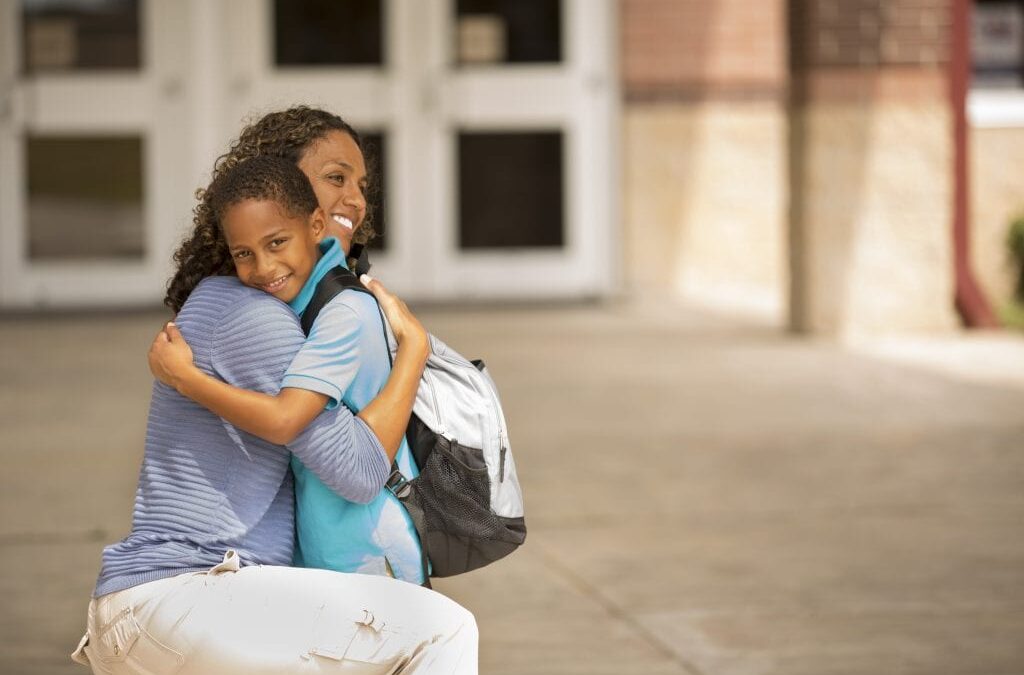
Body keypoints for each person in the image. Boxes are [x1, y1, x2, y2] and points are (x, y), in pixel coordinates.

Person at [73, 259, 477, 672]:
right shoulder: (256, 316)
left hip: (155, 612)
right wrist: (414, 349)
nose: (350, 207)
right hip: (182, 600)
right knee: (443, 628)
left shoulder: (219, 301)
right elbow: (361, 470)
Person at [155, 106, 428, 585]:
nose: (356, 200)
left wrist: (414, 351)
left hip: (364, 552)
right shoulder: (267, 303)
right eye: (336, 177)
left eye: (360, 185)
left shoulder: (342, 307)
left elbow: (337, 453)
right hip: (322, 550)